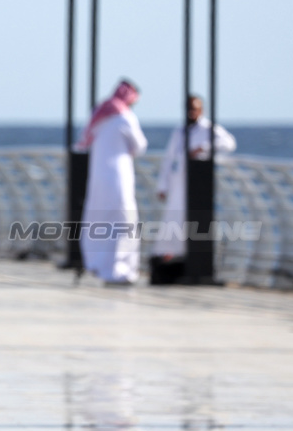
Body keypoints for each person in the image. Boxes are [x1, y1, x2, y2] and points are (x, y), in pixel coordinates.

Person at [150, 94, 237, 283]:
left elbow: (229, 143)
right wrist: (162, 185)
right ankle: (168, 261)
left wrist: (203, 147)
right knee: (173, 223)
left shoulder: (209, 128)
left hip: (198, 184)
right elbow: (169, 159)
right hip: (178, 184)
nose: (192, 112)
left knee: (193, 224)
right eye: (189, 108)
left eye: (195, 108)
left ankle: (193, 264)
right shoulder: (179, 131)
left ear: (202, 110)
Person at [76, 79, 148, 286]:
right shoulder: (125, 116)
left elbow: (84, 139)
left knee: (98, 221)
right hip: (119, 177)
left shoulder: (100, 114)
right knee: (124, 221)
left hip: (98, 177)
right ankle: (121, 270)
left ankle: (98, 264)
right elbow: (140, 145)